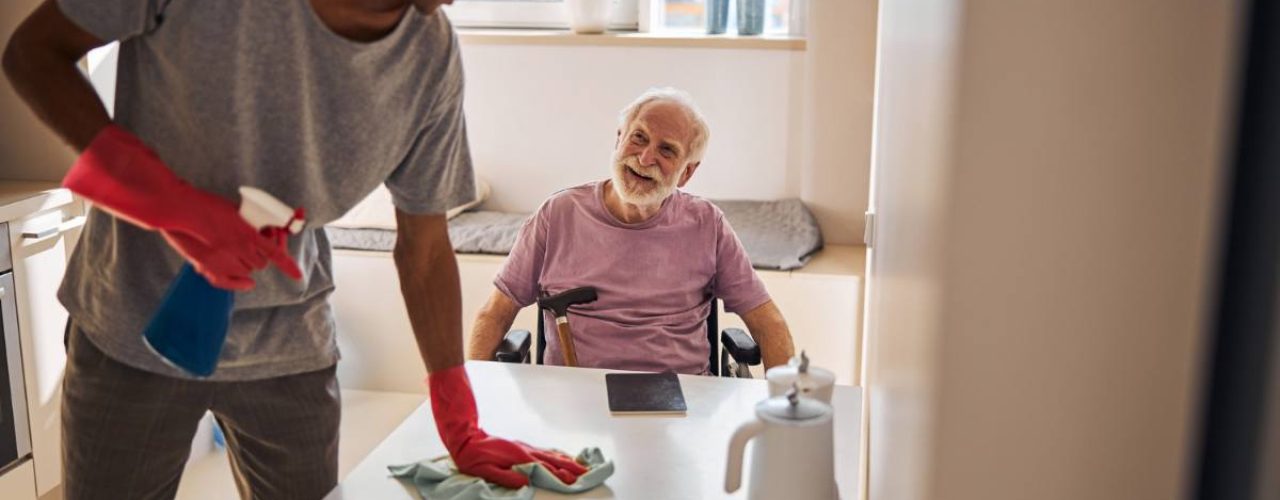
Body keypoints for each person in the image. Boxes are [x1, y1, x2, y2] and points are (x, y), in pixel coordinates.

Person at [2, 0, 584, 498]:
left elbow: (426, 248)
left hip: (291, 349)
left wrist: (459, 419)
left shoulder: (428, 55)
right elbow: (34, 53)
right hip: (131, 331)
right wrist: (172, 207)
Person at [467, 88, 796, 373]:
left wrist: (782, 413)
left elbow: (769, 323)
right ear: (619, 139)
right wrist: (472, 398)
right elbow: (495, 314)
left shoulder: (707, 225)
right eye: (638, 137)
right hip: (574, 399)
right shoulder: (558, 214)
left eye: (667, 150)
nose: (646, 157)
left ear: (686, 173)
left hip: (681, 401)